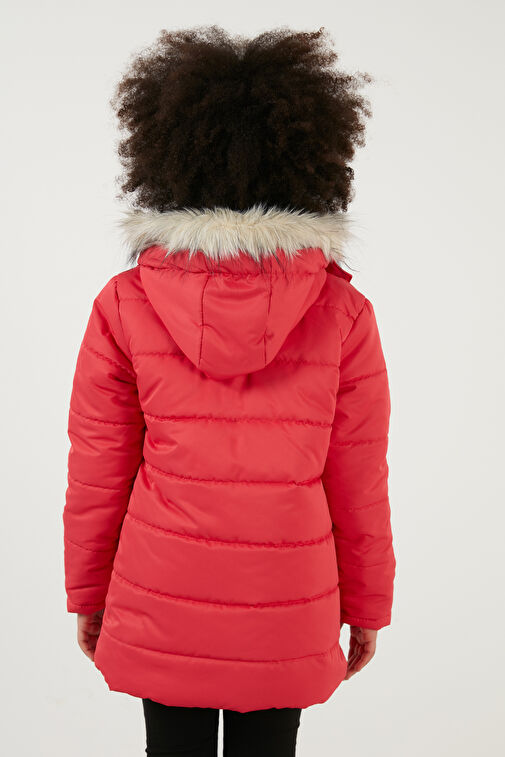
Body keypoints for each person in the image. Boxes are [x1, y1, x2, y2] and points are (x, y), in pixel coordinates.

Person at [63, 25, 396, 757]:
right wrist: (368, 602)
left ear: (165, 160)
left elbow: (97, 470)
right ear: (314, 161)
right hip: (289, 600)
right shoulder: (344, 312)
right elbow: (359, 478)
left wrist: (87, 592)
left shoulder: (124, 303)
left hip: (159, 594)